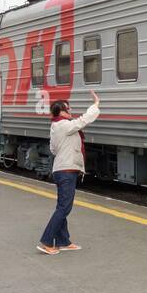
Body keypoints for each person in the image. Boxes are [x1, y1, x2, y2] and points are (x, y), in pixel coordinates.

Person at [37, 92, 100, 255]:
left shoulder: (56, 126)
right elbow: (83, 121)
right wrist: (95, 105)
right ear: (61, 112)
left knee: (62, 207)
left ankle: (63, 241)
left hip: (63, 170)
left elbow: (53, 149)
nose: (70, 111)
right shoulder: (64, 125)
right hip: (66, 172)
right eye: (68, 109)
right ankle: (46, 241)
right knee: (64, 208)